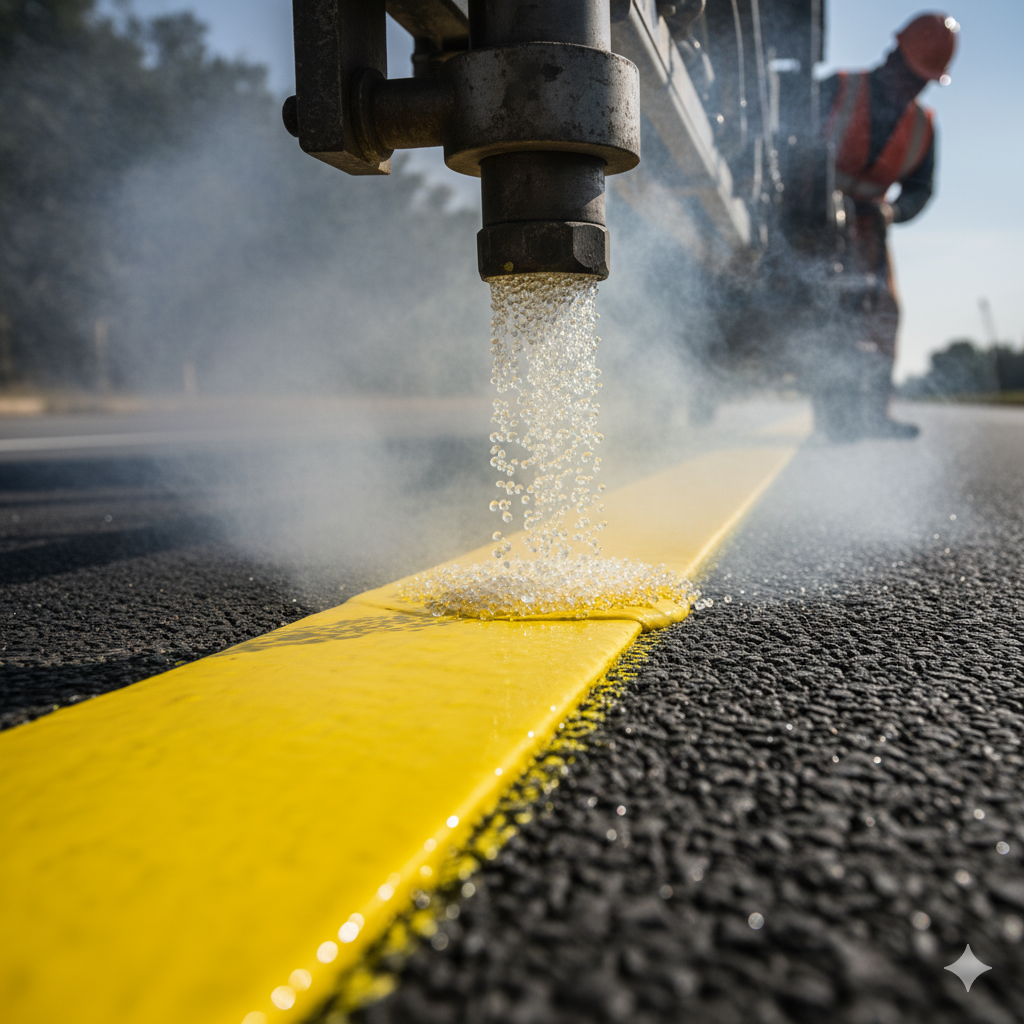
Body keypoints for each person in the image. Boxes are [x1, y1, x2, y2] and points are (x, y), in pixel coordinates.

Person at [814, 12, 958, 440]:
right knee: (818, 309)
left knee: (884, 314)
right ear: (893, 56)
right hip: (810, 219)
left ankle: (874, 413)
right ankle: (831, 412)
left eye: (921, 83)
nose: (911, 88)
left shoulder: (923, 128)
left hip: (868, 230)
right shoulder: (837, 88)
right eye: (909, 76)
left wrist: (891, 213)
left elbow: (920, 191)